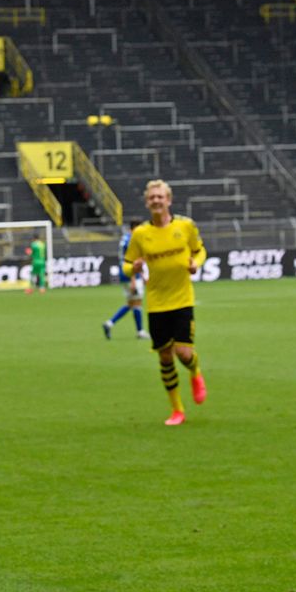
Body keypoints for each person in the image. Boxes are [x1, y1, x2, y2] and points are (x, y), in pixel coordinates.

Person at [123, 180, 208, 426]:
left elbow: (200, 251)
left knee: (183, 353)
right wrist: (134, 268)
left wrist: (196, 263)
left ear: (169, 200)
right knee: (165, 357)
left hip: (182, 300)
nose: (156, 201)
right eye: (152, 198)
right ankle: (177, 410)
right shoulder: (140, 234)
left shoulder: (186, 226)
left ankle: (195, 372)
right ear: (147, 202)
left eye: (160, 197)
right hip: (157, 304)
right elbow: (126, 265)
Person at [103, 219, 150, 339]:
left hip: (123, 273)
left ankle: (109, 323)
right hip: (131, 275)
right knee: (137, 303)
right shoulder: (132, 240)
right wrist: (134, 280)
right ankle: (140, 331)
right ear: (134, 228)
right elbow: (132, 261)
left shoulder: (125, 238)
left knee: (131, 303)